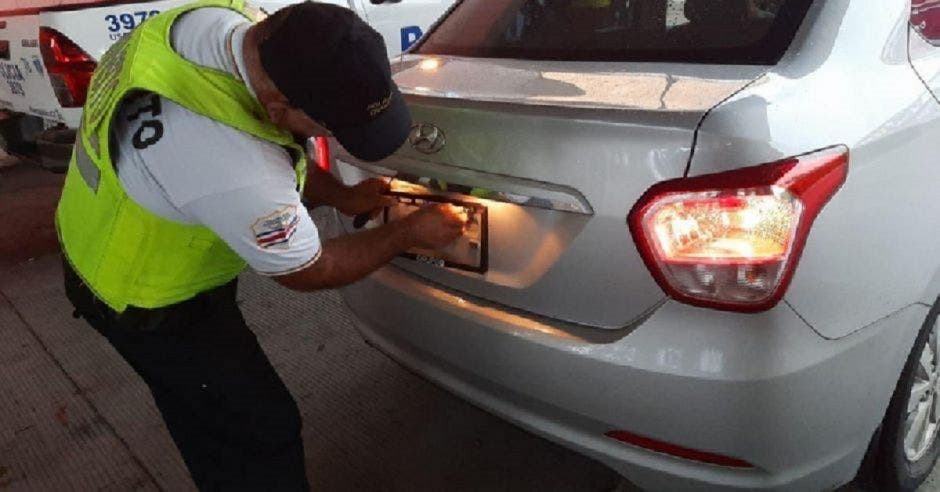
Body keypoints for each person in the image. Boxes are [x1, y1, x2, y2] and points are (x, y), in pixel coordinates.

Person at [55, 0, 466, 489]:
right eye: (332, 127)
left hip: (100, 223)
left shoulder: (227, 26)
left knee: (203, 416)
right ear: (278, 107)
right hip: (143, 296)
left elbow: (278, 148)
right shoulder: (229, 162)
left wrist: (345, 196)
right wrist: (405, 233)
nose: (332, 135)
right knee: (256, 429)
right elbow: (307, 269)